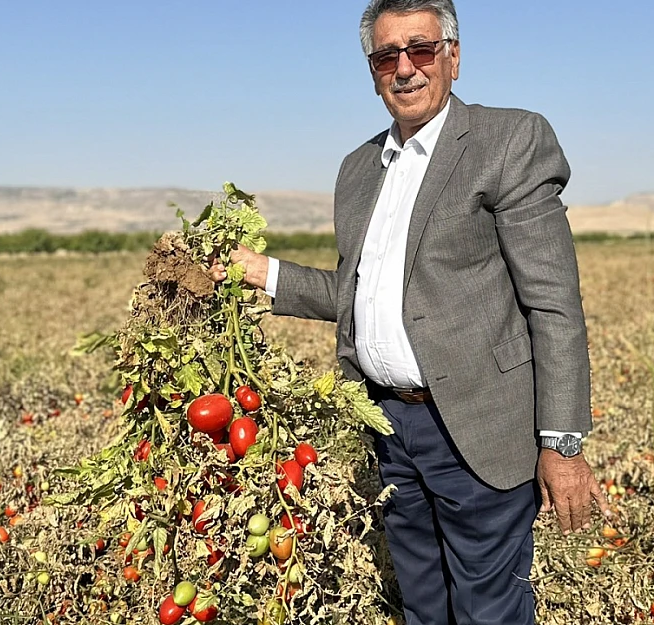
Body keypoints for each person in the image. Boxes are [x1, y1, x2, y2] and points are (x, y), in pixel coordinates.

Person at [210, 0, 609, 622]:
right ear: (371, 69)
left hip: (479, 424)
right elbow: (361, 292)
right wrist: (263, 275)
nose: (405, 68)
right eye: (386, 55)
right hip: (389, 427)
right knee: (422, 604)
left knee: (488, 610)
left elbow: (553, 304)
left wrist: (561, 442)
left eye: (420, 49)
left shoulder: (508, 140)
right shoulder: (359, 168)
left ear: (452, 55)